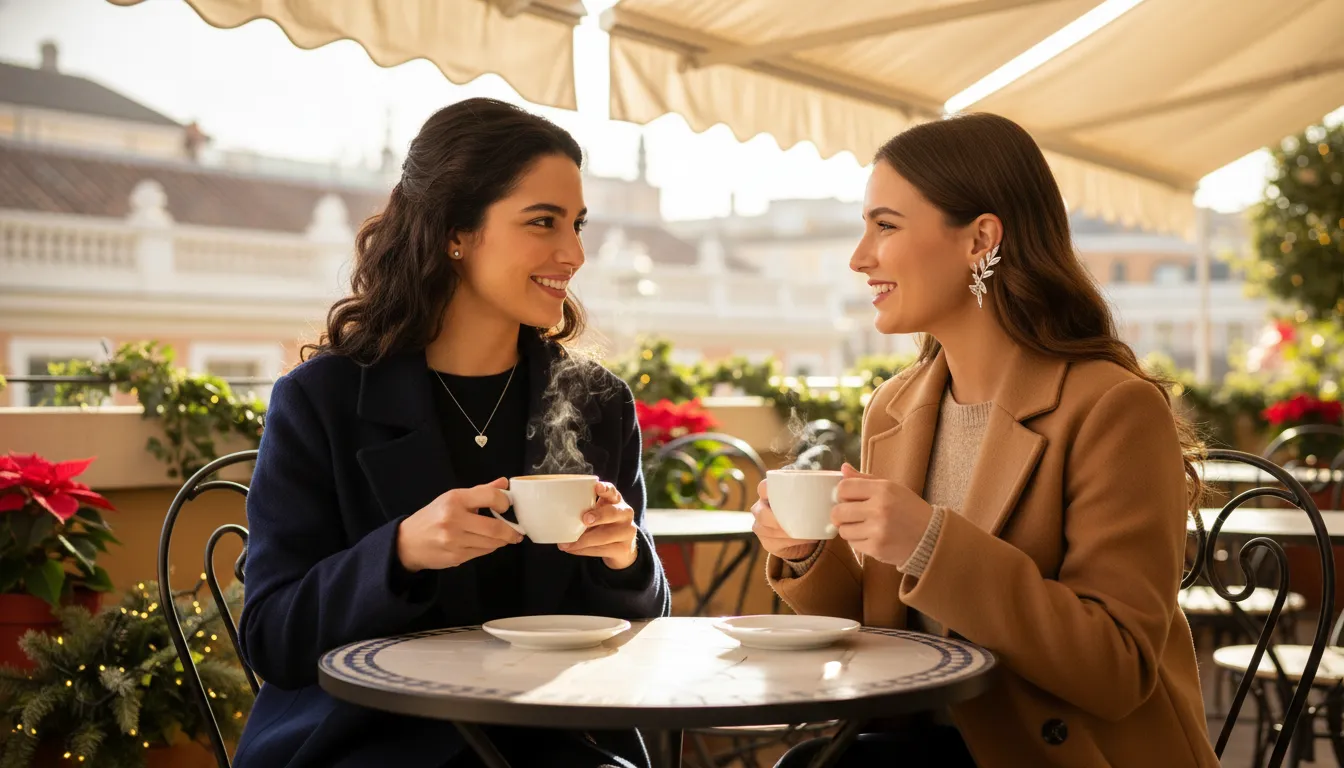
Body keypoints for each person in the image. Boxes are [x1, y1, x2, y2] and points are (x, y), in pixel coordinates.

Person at [758, 113, 1218, 767]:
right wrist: (809, 556)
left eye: (885, 225)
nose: (859, 257)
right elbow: (893, 638)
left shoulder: (1113, 408)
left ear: (980, 239)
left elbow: (1116, 669)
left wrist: (929, 543)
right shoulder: (894, 408)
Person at [233, 97, 670, 768]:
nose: (576, 252)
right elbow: (271, 638)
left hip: (557, 740)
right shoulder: (322, 401)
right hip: (372, 742)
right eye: (543, 222)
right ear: (454, 232)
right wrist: (399, 552)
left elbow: (642, 626)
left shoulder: (595, 402)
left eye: (577, 223)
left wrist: (624, 558)